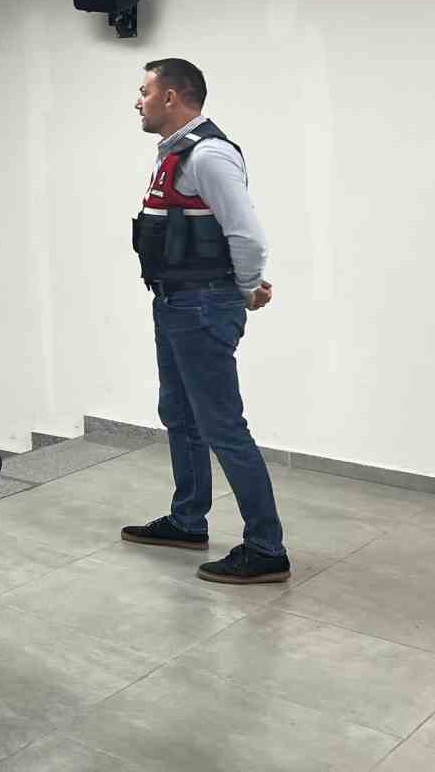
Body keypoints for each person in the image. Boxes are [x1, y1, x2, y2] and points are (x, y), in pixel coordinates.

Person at [121, 57, 289, 585]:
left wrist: (246, 287)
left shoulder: (209, 155)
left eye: (145, 91)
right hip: (175, 302)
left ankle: (266, 548)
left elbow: (246, 233)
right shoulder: (173, 154)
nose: (138, 101)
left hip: (201, 305)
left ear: (172, 97)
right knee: (179, 413)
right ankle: (187, 520)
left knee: (222, 425)